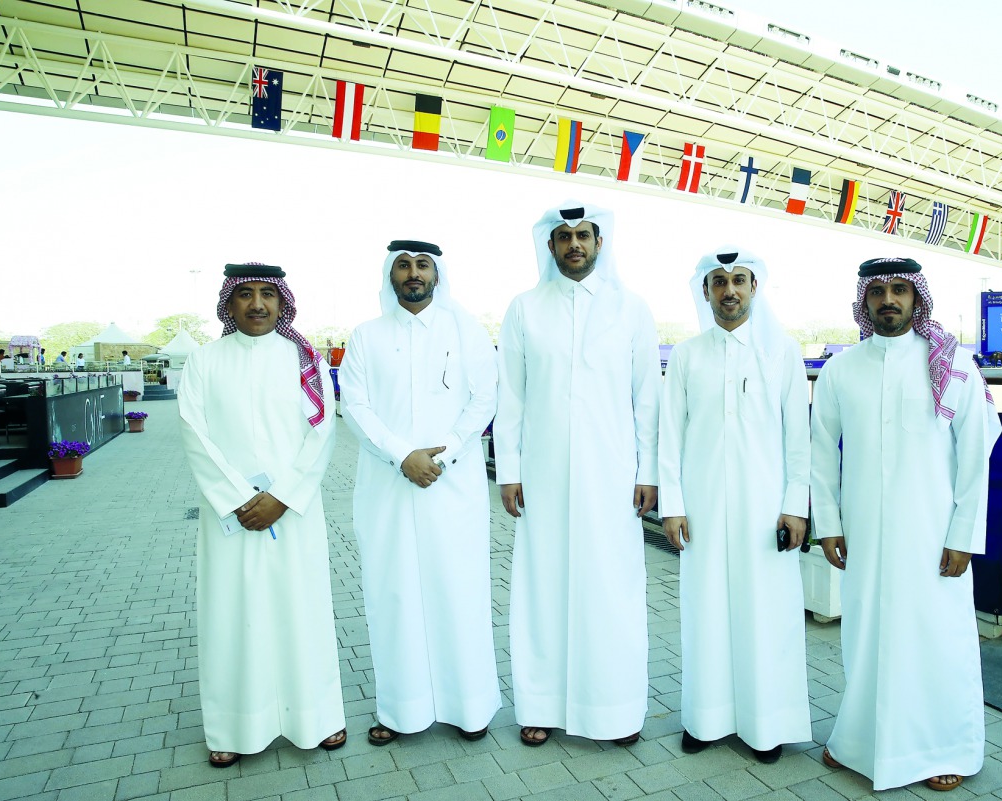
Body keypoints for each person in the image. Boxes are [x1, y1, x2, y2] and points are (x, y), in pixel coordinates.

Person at [810, 256, 1001, 793]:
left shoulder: (952, 363)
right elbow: (820, 451)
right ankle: (857, 742)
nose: (888, 300)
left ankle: (946, 748)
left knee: (936, 639)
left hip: (935, 535)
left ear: (917, 299)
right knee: (864, 635)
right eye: (877, 292)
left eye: (900, 290)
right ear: (864, 302)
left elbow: (975, 454)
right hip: (865, 535)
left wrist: (964, 534)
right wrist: (828, 522)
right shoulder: (841, 369)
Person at [496, 200, 661, 748]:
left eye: (583, 235)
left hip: (613, 478)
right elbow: (511, 396)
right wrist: (510, 471)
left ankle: (613, 712)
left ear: (599, 242)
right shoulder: (524, 308)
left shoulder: (631, 309)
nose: (574, 244)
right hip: (541, 476)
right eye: (564, 236)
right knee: (543, 588)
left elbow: (647, 400)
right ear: (550, 246)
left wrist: (648, 472)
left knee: (610, 590)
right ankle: (539, 705)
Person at [178, 262, 346, 769]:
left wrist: (284, 496)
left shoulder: (305, 359)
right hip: (229, 515)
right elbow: (194, 432)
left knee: (303, 611)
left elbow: (322, 434)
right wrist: (237, 498)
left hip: (293, 511)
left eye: (267, 295)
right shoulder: (204, 361)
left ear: (283, 302)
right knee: (232, 615)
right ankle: (231, 726)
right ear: (227, 304)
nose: (256, 304)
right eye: (244, 294)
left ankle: (316, 718)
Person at [342, 240, 501, 746]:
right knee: (394, 596)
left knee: (459, 591)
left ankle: (469, 708)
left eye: (422, 265)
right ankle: (401, 711)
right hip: (388, 488)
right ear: (390, 275)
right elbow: (355, 406)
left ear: (437, 273)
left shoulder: (465, 329)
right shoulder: (366, 336)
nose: (413, 273)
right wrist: (402, 455)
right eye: (404, 265)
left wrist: (445, 451)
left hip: (452, 487)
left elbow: (484, 399)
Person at [658, 247, 812, 765]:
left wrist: (796, 506)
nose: (729, 290)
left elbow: (799, 439)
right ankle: (704, 721)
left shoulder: (782, 351)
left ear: (754, 288)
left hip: (766, 510)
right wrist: (672, 506)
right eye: (719, 281)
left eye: (739, 280)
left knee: (766, 616)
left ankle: (765, 727)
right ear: (705, 291)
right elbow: (669, 439)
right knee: (705, 612)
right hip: (700, 509)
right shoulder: (686, 355)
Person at [326, 339, 345, 417]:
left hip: (337, 370)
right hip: (335, 370)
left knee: (338, 391)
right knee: (337, 392)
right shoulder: (332, 352)